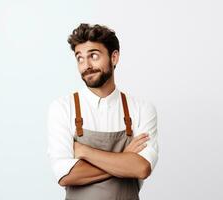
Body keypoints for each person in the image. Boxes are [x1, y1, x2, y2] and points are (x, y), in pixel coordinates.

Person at [47, 23, 159, 200]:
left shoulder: (141, 109)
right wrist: (124, 158)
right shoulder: (62, 108)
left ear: (114, 57)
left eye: (93, 55)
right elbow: (65, 176)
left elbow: (141, 168)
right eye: (80, 58)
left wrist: (84, 151)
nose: (86, 65)